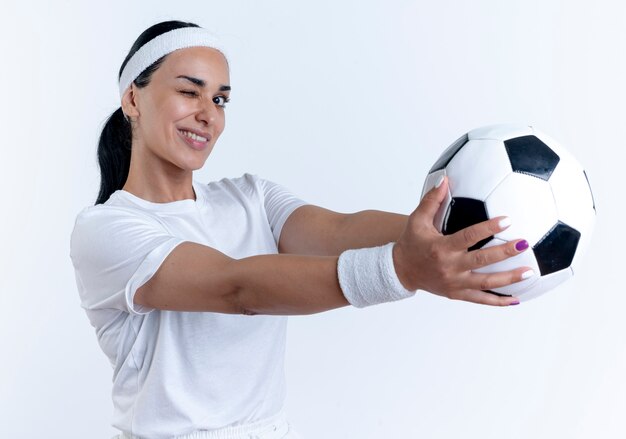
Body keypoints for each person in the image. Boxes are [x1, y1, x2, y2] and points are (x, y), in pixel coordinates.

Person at [69, 20, 532, 439]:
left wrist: (451, 237)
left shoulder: (250, 196)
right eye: (190, 92)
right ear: (133, 98)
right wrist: (400, 269)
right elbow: (238, 288)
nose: (209, 113)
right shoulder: (107, 229)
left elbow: (337, 230)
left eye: (220, 98)